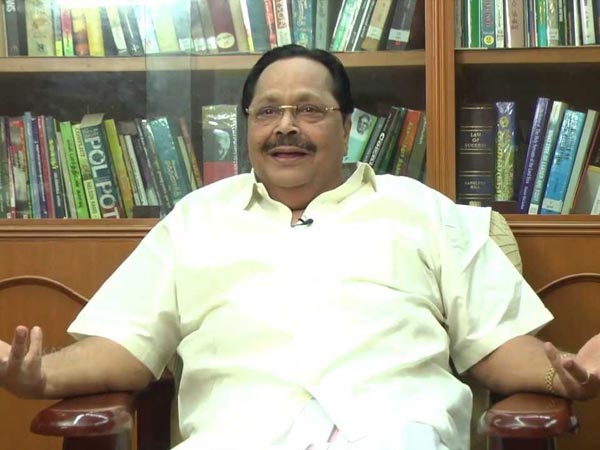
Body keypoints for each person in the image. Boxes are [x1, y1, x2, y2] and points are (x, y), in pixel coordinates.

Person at [1, 45, 599, 450]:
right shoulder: (195, 219)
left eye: (309, 110)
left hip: (392, 435)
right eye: (267, 112)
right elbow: (124, 347)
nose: (285, 125)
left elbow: (498, 345)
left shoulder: (425, 212)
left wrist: (567, 376)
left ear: (347, 125)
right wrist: (37, 376)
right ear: (248, 127)